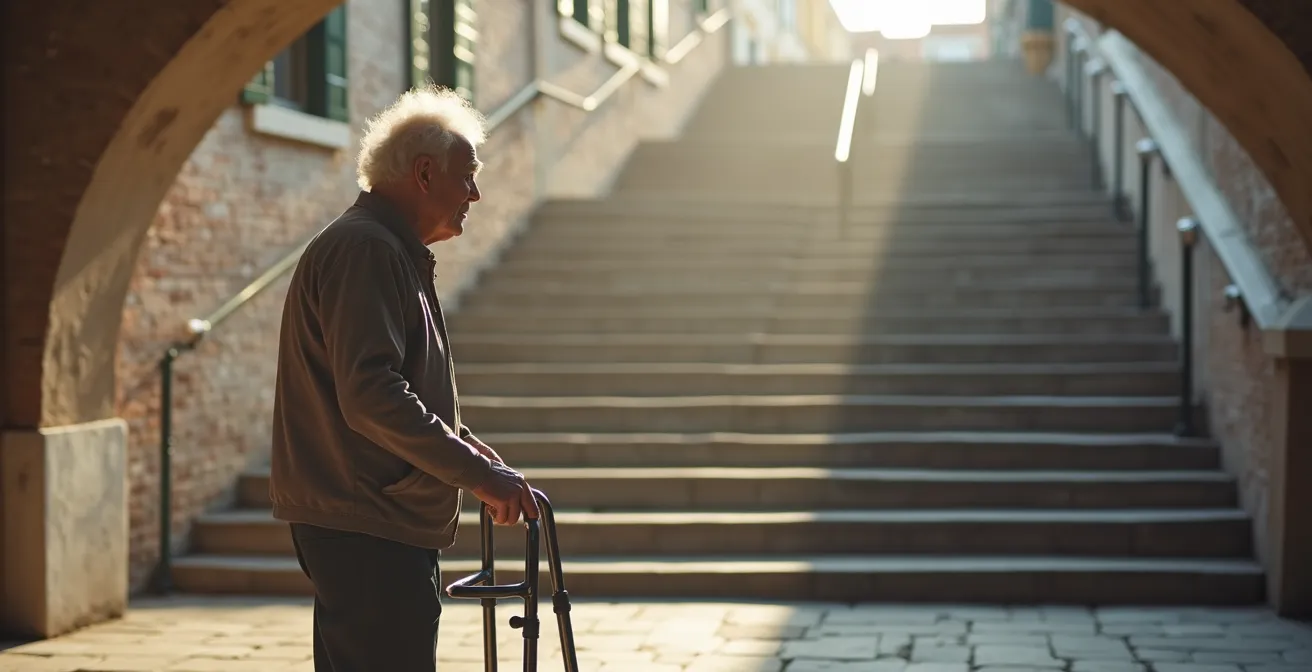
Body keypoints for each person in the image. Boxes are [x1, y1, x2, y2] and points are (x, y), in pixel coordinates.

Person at [267, 84, 540, 672]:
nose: (475, 192)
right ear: (423, 173)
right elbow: (372, 394)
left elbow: (389, 383)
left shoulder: (385, 247)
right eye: (466, 176)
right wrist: (477, 476)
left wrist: (469, 451)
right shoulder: (368, 249)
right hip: (367, 518)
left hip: (372, 514)